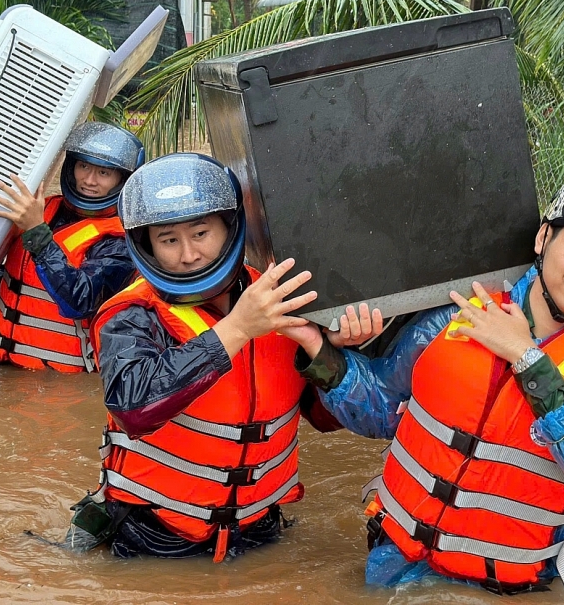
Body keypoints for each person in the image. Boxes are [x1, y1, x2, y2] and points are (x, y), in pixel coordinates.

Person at [298, 172, 564, 593]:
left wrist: (527, 359)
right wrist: (319, 351)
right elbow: (379, 410)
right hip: (395, 566)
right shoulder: (458, 312)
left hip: (513, 587)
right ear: (544, 238)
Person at [66, 152, 379, 561]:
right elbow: (134, 408)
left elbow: (325, 419)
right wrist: (237, 329)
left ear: (229, 228)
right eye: (169, 240)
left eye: (201, 233)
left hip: (259, 530)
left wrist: (336, 354)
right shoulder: (133, 314)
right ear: (146, 246)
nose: (189, 254)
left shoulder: (282, 297)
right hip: (156, 535)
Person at [0, 121, 144, 372]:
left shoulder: (120, 242)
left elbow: (79, 300)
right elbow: (22, 280)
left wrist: (38, 233)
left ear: (122, 180)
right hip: (0, 361)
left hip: (57, 383)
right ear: (71, 166)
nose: (89, 180)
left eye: (103, 173)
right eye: (83, 166)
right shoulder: (43, 209)